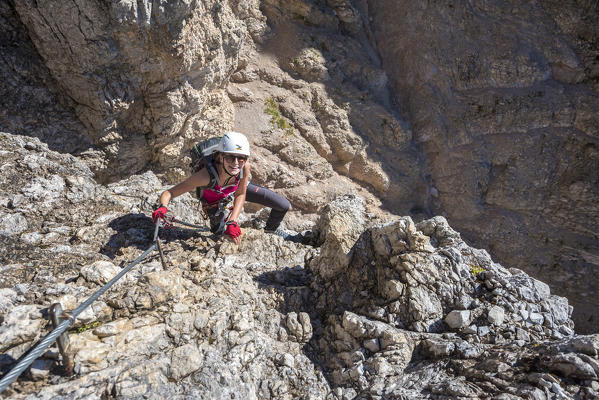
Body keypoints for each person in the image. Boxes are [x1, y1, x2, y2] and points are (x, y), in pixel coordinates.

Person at [152, 131, 291, 244]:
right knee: (220, 235)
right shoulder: (205, 176)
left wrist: (233, 222)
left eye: (241, 158)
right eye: (230, 157)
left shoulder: (244, 167)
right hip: (214, 201)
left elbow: (241, 194)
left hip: (234, 188)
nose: (236, 163)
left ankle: (271, 231)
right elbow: (169, 192)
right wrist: (162, 207)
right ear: (220, 157)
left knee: (283, 205)